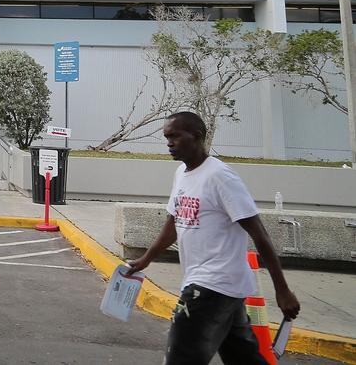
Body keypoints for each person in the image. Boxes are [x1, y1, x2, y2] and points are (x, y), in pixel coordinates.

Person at [127, 111, 299, 364]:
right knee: (243, 359)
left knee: (181, 358)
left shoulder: (220, 176)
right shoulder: (182, 174)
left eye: (175, 136)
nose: (169, 143)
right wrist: (146, 259)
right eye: (166, 137)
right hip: (221, 287)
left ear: (197, 136)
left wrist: (282, 290)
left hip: (211, 286)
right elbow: (173, 222)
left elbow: (259, 232)